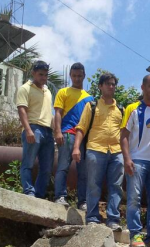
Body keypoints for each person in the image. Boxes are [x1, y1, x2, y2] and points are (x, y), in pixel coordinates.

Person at [120, 74, 150, 247]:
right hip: (137, 161)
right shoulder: (132, 108)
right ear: (143, 87)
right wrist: (127, 158)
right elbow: (124, 136)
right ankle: (135, 235)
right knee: (134, 199)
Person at [72, 73, 124, 230]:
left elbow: (126, 133)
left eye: (113, 84)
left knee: (116, 186)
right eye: (108, 83)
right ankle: (93, 217)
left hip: (116, 151)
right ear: (100, 86)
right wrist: (76, 147)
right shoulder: (92, 106)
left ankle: (113, 220)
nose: (111, 86)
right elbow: (81, 128)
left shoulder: (121, 109)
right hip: (95, 149)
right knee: (93, 184)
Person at [53, 62, 94, 209]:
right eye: (74, 75)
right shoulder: (63, 92)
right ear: (70, 76)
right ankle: (60, 196)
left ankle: (82, 201)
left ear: (84, 76)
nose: (77, 78)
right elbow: (57, 112)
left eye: (79, 76)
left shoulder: (90, 98)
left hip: (82, 138)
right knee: (63, 166)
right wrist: (57, 131)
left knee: (83, 171)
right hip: (66, 133)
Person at [16, 61, 55, 198]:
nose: (43, 78)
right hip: (33, 128)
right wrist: (28, 130)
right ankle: (28, 191)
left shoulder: (48, 91)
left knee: (47, 168)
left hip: (48, 132)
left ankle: (39, 194)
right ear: (33, 73)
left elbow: (49, 113)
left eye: (45, 75)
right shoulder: (25, 88)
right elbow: (22, 109)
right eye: (40, 75)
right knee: (28, 163)